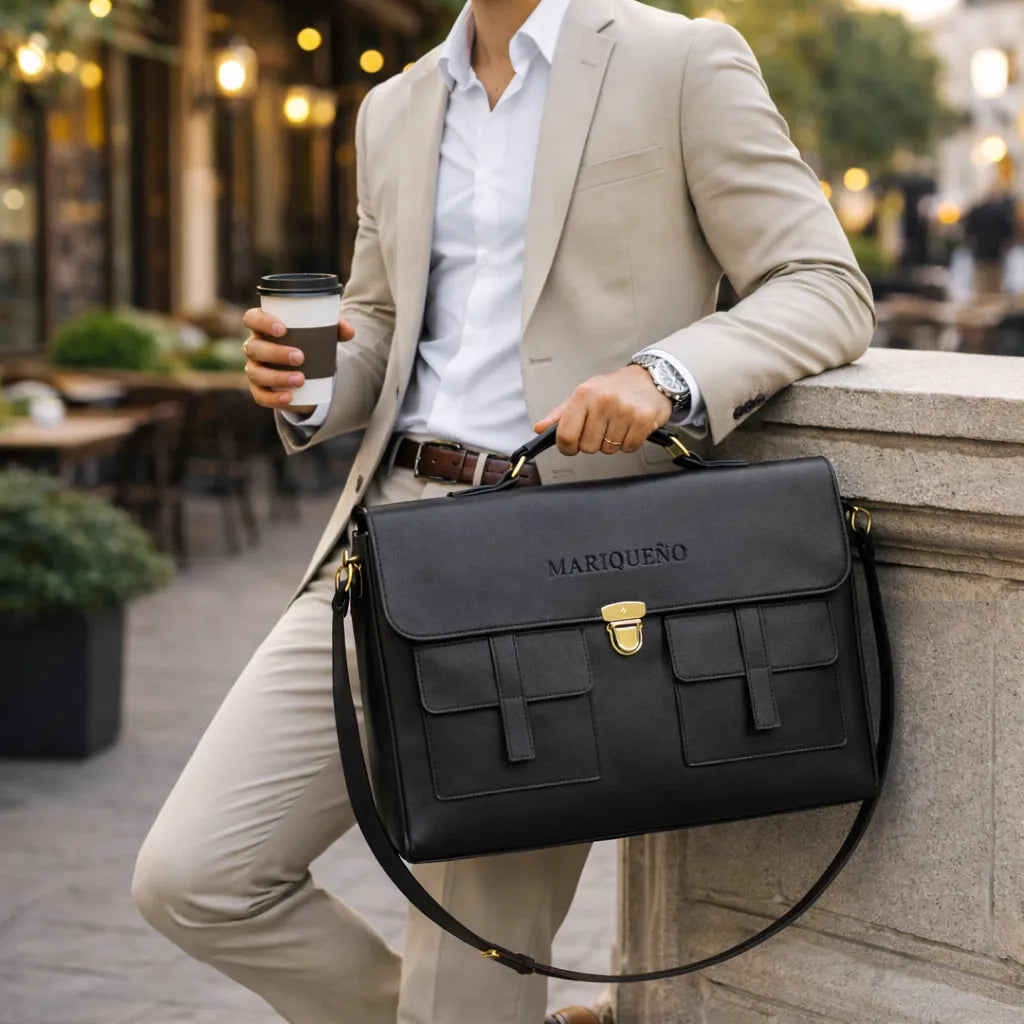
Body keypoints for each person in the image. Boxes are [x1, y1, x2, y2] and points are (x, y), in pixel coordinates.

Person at [131, 1, 875, 1022]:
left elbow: (824, 286)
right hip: (382, 546)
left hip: (552, 571)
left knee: (464, 968)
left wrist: (665, 374)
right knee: (194, 876)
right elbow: (385, 326)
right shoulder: (394, 106)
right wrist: (307, 382)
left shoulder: (680, 58)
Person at [965, 184, 1016, 297]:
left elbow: (968, 232)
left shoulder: (977, 211)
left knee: (982, 283)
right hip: (996, 252)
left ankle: (983, 300)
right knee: (995, 283)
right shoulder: (1001, 212)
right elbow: (1009, 233)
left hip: (981, 251)